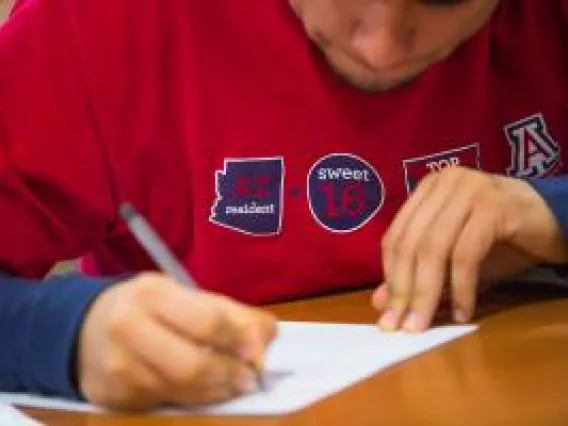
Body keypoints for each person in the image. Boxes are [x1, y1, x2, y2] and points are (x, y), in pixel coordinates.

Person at [0, 0, 566, 411]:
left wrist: (552, 213)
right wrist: (67, 336)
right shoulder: (98, 22)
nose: (380, 46)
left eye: (447, 0)